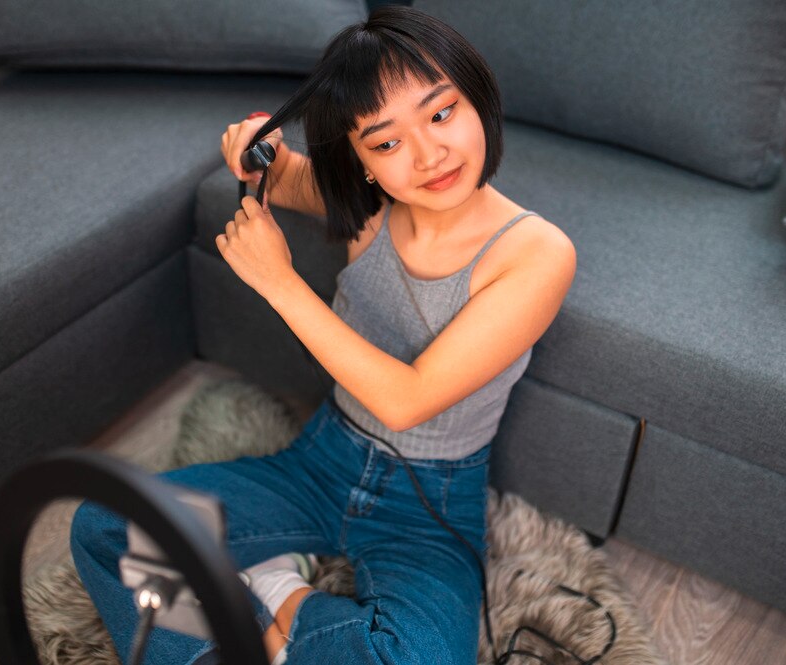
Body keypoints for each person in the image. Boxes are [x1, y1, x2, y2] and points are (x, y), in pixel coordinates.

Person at [70, 5, 576, 664]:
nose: (427, 154)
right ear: (361, 162)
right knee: (103, 523)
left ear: (478, 99)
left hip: (430, 506)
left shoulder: (536, 252)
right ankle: (235, 643)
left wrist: (280, 283)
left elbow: (408, 397)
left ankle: (279, 590)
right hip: (322, 460)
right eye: (386, 142)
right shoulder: (371, 203)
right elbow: (278, 171)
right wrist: (255, 149)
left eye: (441, 112)